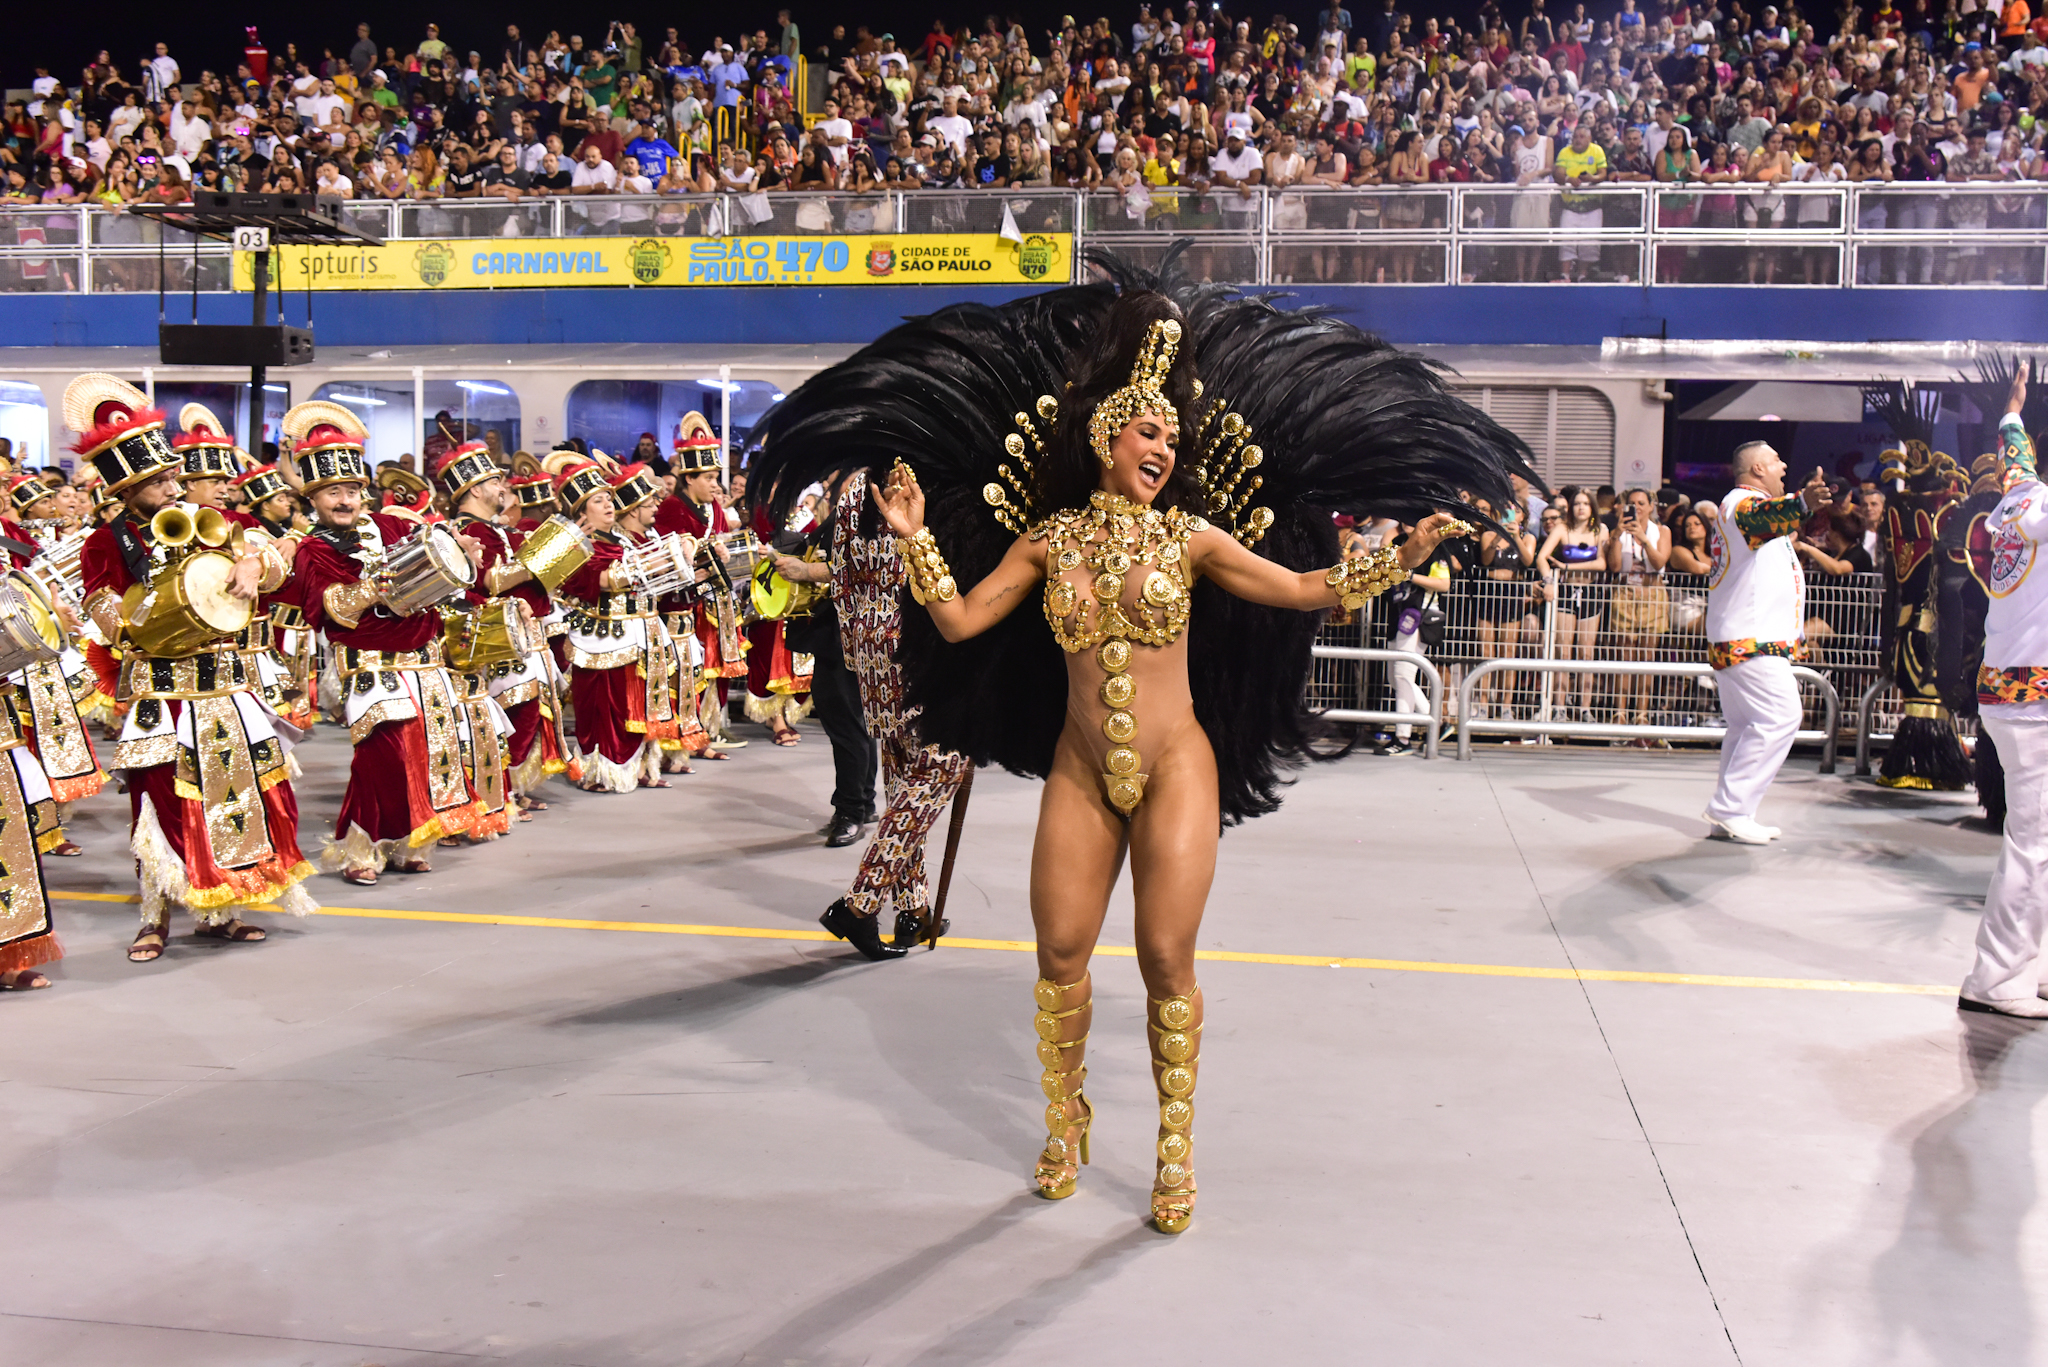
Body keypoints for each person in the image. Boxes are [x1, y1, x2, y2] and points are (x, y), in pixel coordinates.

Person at [754, 274, 1526, 1236]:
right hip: (1084, 768)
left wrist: (1392, 558)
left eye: (1171, 439)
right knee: (1060, 952)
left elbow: (1295, 587)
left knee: (1165, 955)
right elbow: (956, 622)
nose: (1162, 449)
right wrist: (916, 542)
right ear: (1104, 438)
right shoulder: (1047, 539)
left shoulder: (1193, 537)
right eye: (1146, 434)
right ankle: (1064, 1123)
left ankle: (1173, 1148)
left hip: (1174, 765)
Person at [70, 374, 314, 960]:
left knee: (235, 798)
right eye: (157, 481)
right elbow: (104, 612)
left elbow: (276, 582)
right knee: (159, 806)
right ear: (128, 489)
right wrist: (141, 609)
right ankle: (154, 916)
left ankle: (221, 908)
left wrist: (258, 564)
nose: (171, 486)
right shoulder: (107, 542)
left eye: (171, 476)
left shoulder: (218, 525)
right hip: (162, 693)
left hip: (224, 687)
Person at [286, 401, 486, 885]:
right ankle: (361, 848)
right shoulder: (313, 549)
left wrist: (463, 556)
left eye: (351, 490)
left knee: (427, 756)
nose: (345, 501)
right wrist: (375, 588)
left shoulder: (394, 527)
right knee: (381, 759)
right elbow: (334, 607)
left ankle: (408, 842)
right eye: (333, 492)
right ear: (314, 498)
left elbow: (443, 567)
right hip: (371, 668)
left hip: (426, 662)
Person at [774, 475, 972, 957]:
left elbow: (843, 577)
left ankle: (912, 909)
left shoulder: (856, 492)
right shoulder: (922, 487)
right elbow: (935, 581)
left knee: (905, 780)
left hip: (867, 660)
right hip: (915, 657)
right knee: (943, 768)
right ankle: (859, 904)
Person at [1959, 363, 2048, 1016]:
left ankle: (2029, 964)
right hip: (2036, 703)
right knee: (2034, 842)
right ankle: (1998, 976)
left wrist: (2011, 412)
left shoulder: (2016, 500)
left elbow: (2013, 460)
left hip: (2007, 694)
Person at [1698, 440, 1831, 843]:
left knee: (1744, 727)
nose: (1784, 464)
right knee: (1780, 716)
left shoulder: (1739, 507)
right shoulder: (1742, 504)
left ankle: (1735, 813)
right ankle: (1730, 808)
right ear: (1757, 469)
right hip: (1750, 639)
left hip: (1745, 635)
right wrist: (1802, 503)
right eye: (1775, 460)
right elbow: (1765, 516)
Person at [553, 455, 690, 791]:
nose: (608, 505)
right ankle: (602, 771)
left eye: (608, 498)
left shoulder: (623, 540)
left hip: (639, 632)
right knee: (606, 705)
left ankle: (640, 766)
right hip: (605, 636)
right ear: (582, 511)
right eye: (598, 501)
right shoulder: (580, 545)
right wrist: (640, 569)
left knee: (638, 700)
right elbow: (590, 580)